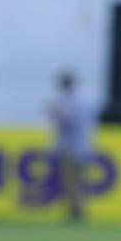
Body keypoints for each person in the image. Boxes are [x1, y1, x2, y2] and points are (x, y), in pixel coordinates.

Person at [48, 72, 98, 222]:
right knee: (77, 181)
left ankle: (76, 213)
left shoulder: (72, 101)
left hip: (72, 147)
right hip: (83, 145)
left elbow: (69, 123)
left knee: (71, 182)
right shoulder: (84, 99)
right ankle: (77, 211)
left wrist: (56, 114)